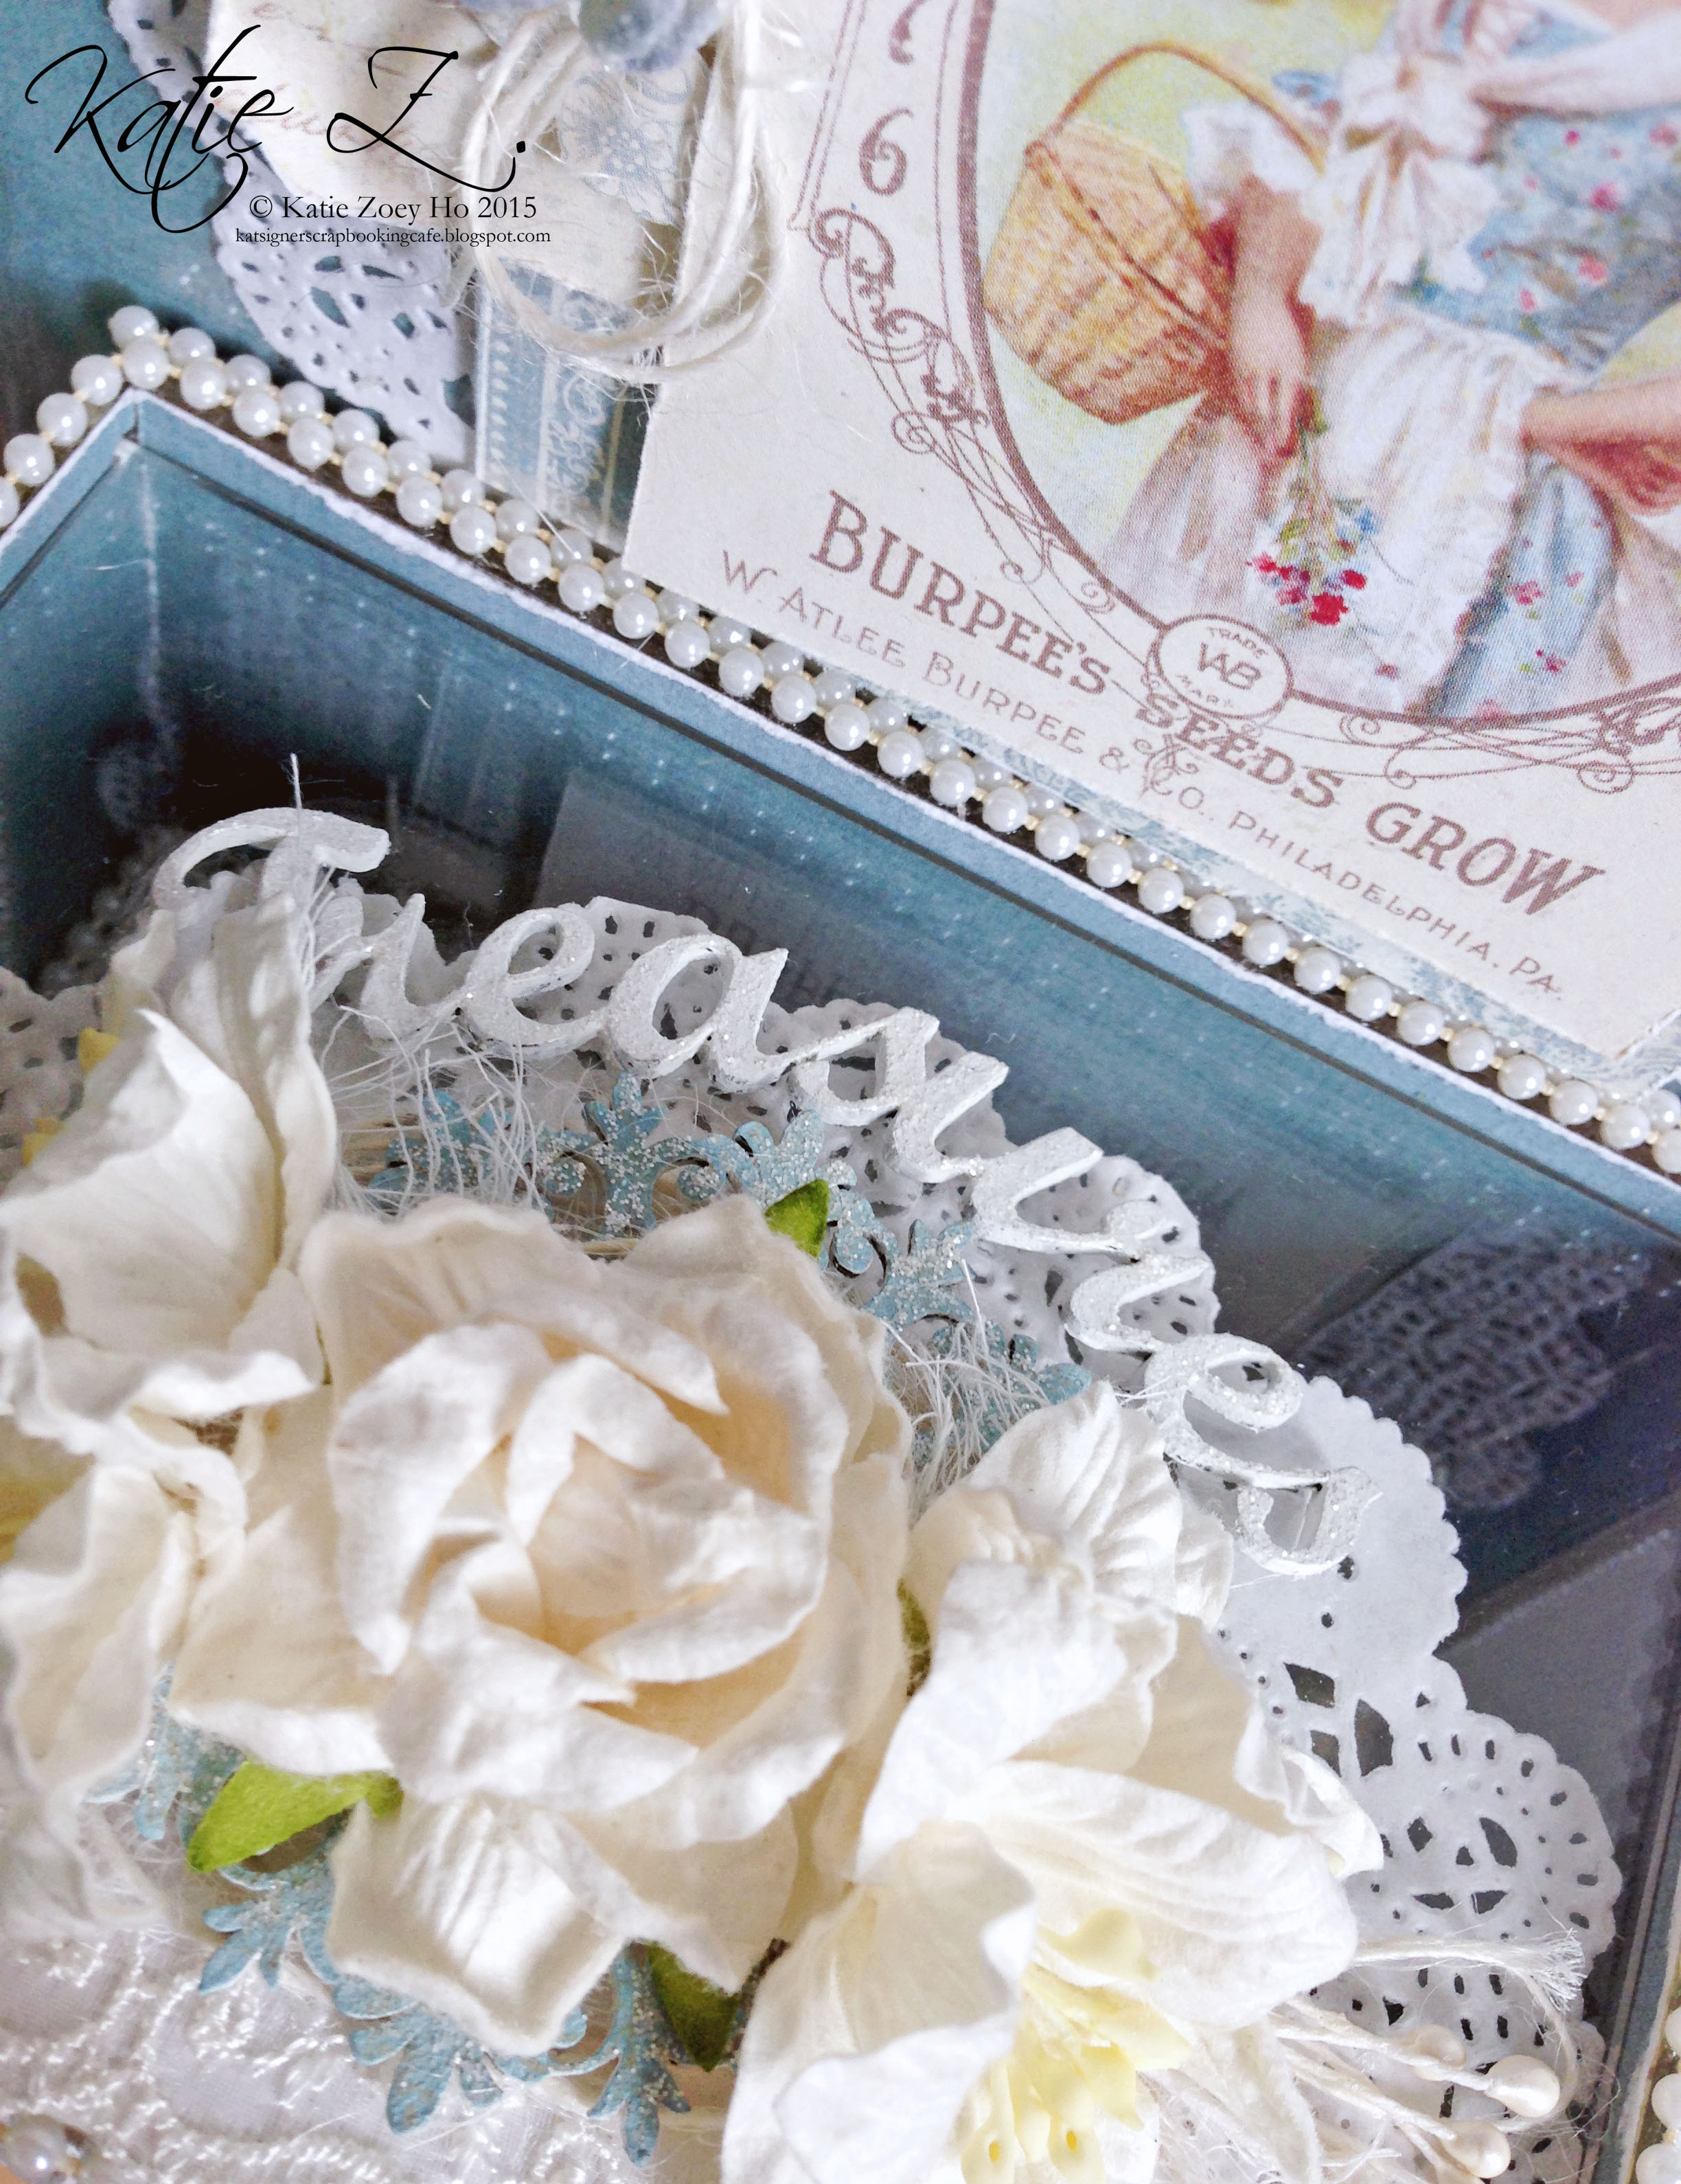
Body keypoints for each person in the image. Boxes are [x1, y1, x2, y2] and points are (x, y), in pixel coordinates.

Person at [1098, 0, 1681, 720]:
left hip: (1500, 483)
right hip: (1318, 388)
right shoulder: (1473, 12)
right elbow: (1330, 149)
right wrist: (1263, 295)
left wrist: (1537, 420)